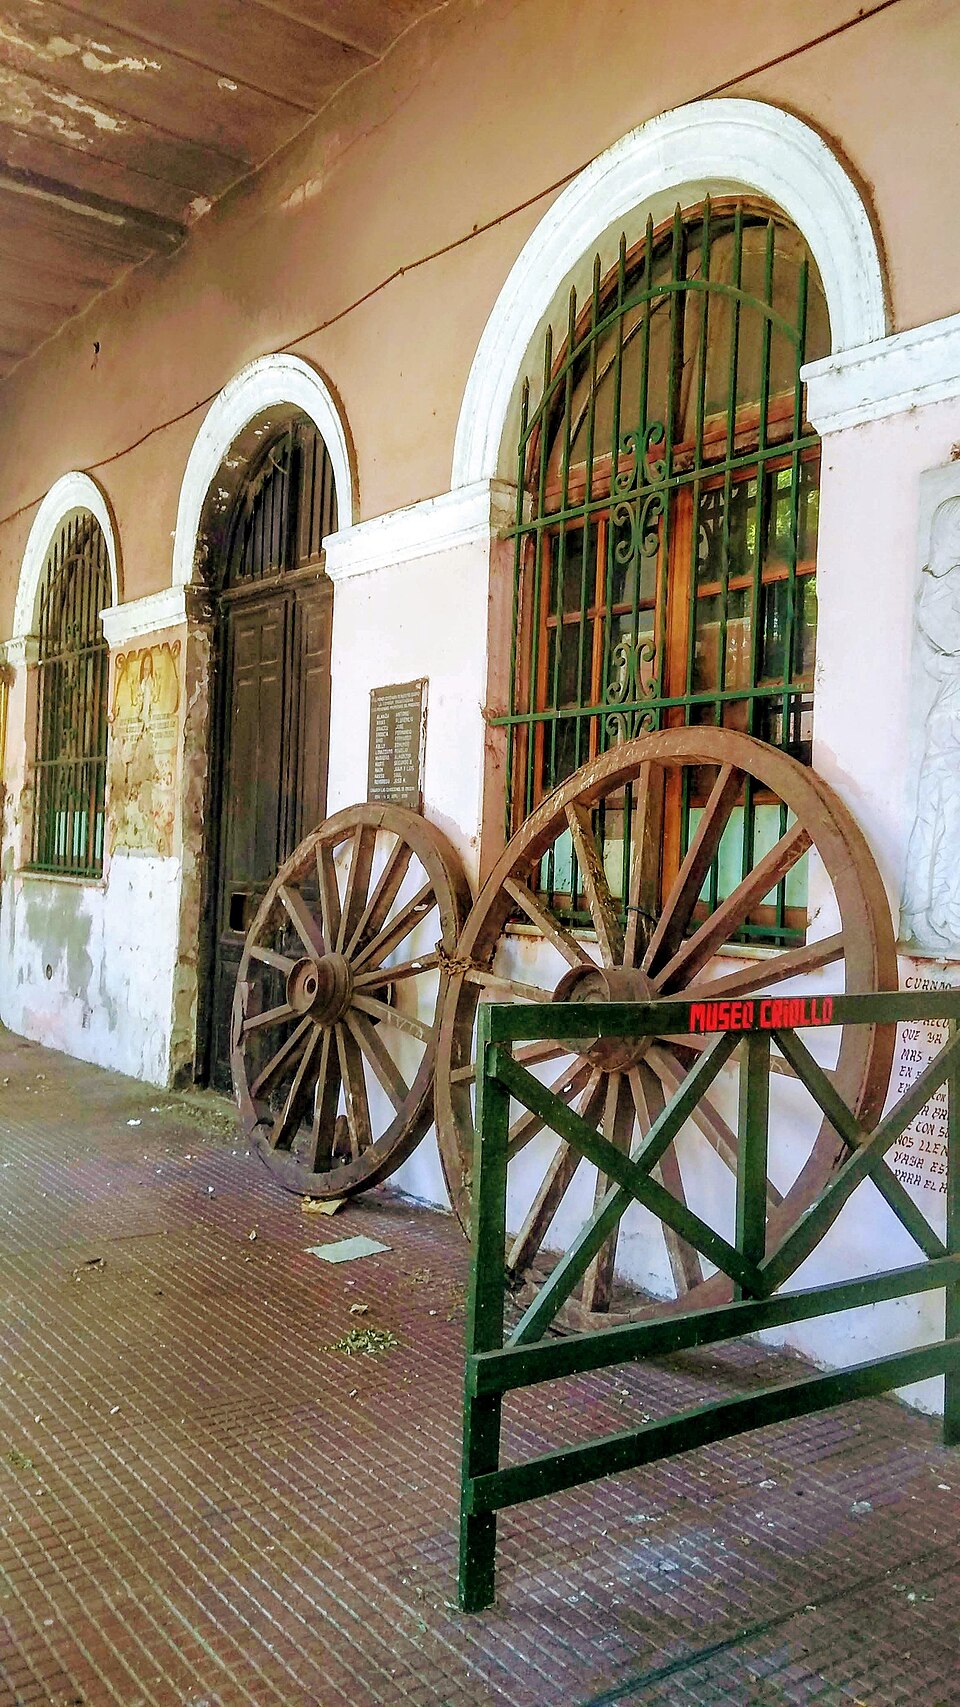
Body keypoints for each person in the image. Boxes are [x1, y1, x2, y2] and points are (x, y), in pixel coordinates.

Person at [901, 495, 960, 952]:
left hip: (947, 712)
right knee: (945, 816)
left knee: (937, 815)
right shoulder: (947, 588)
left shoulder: (935, 588)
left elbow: (935, 658)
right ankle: (939, 912)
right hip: (952, 716)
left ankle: (927, 911)